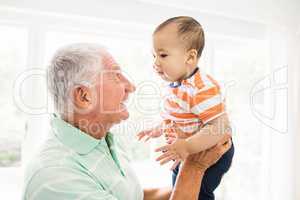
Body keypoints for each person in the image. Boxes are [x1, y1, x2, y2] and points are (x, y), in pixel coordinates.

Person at [22, 43, 232, 200]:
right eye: (116, 75)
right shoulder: (55, 178)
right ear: (84, 97)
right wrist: (194, 167)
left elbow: (133, 196)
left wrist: (202, 184)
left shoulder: (100, 141)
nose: (131, 86)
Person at [137, 16, 234, 200]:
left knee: (198, 193)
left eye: (163, 55)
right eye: (154, 55)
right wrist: (159, 128)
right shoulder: (177, 85)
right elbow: (178, 117)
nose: (156, 63)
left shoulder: (202, 87)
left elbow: (220, 127)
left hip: (211, 151)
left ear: (190, 57)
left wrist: (187, 146)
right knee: (178, 187)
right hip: (187, 151)